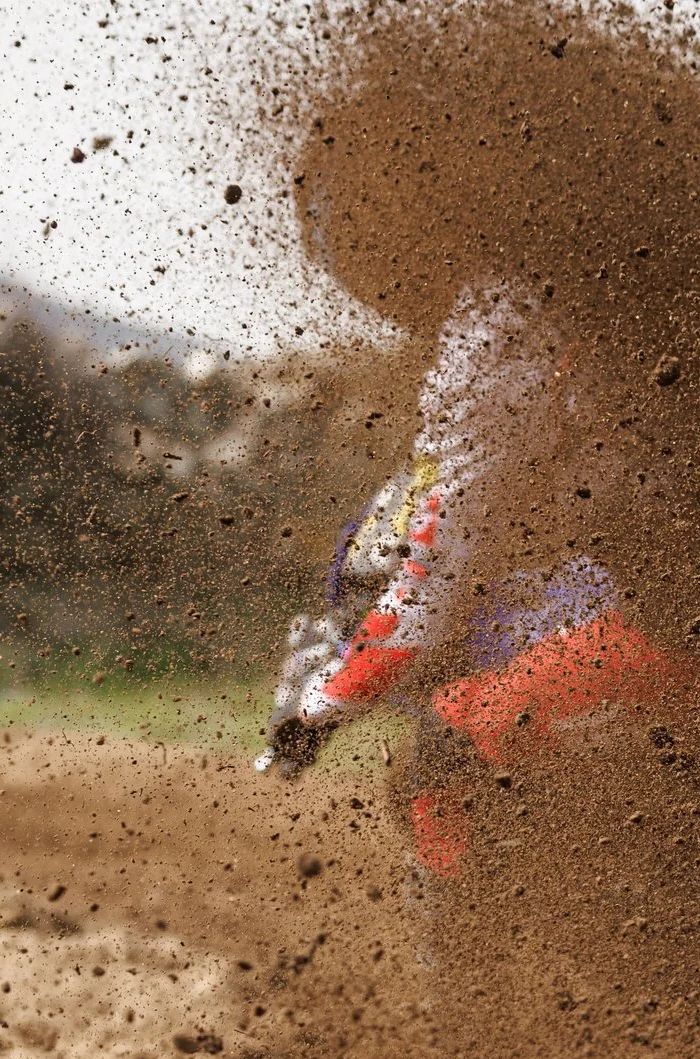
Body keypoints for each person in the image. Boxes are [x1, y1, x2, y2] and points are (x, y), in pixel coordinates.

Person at [255, 283, 673, 876]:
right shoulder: (597, 314)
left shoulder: (502, 331)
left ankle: (487, 950)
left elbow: (415, 617)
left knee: (461, 722)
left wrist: (317, 710)